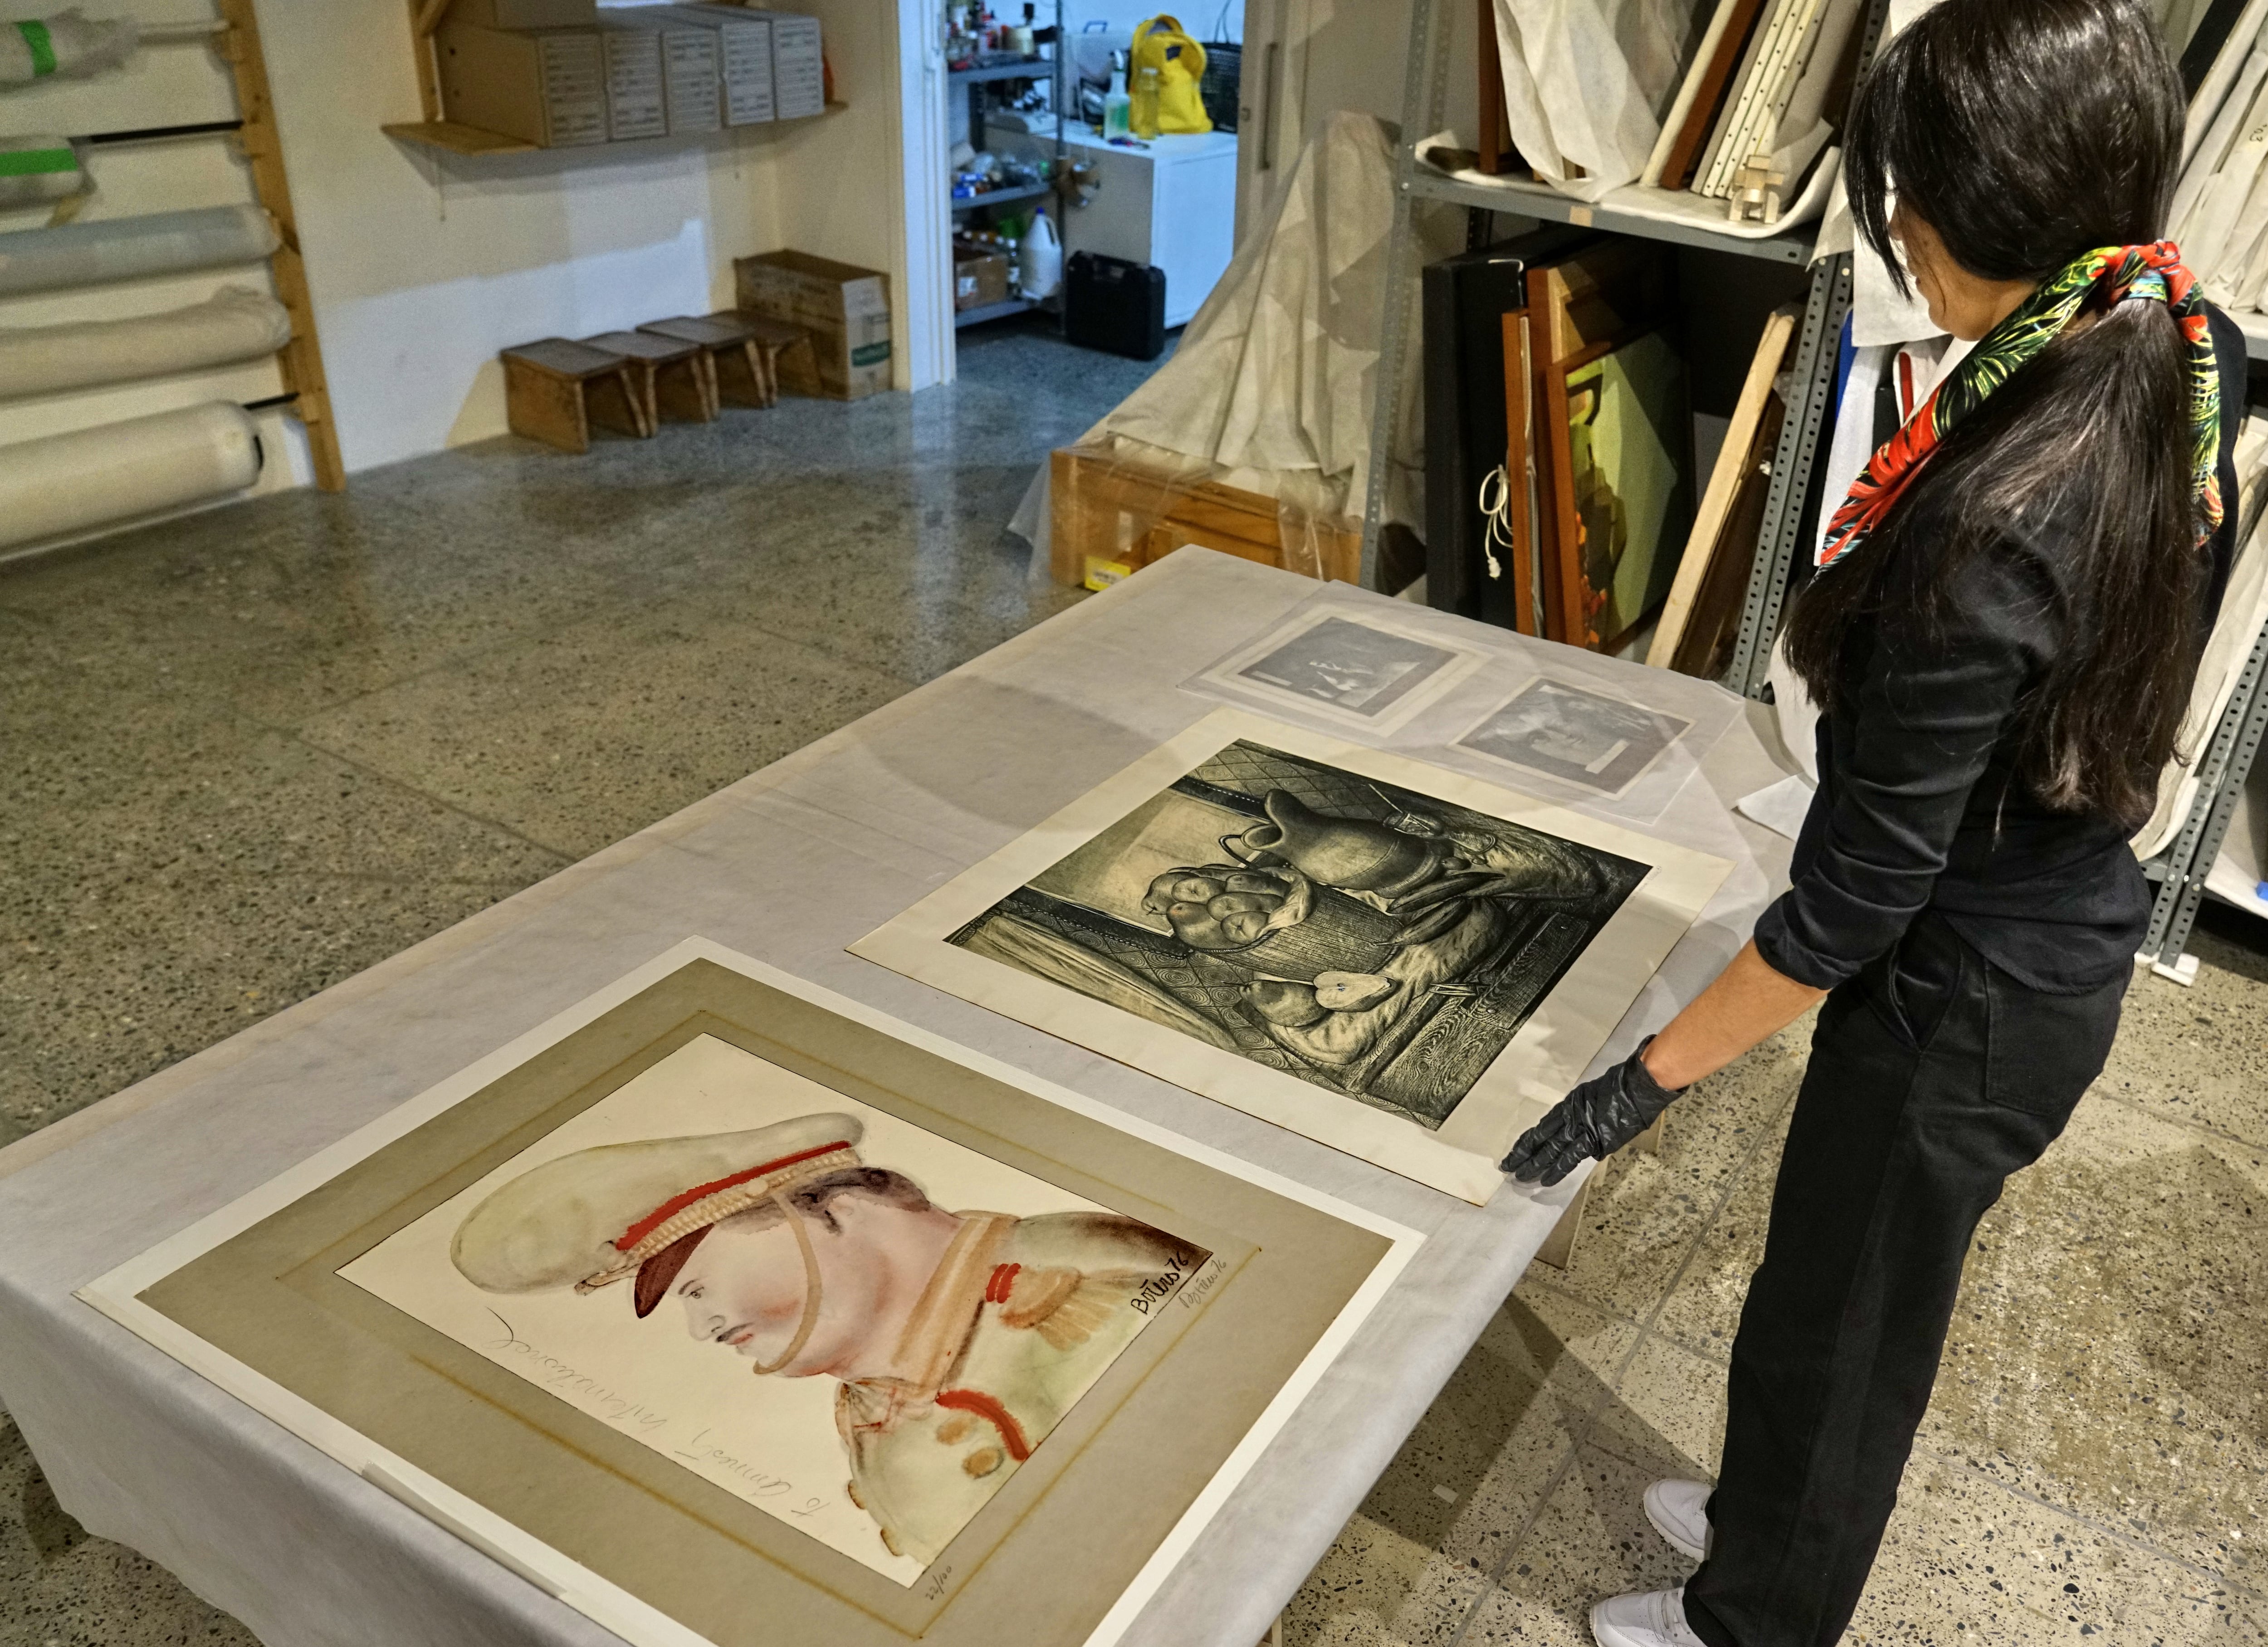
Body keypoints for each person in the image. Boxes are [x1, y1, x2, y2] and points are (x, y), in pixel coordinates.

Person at [1501, 1, 2248, 1643]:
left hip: (1964, 992)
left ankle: (1757, 1615)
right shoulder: (2169, 330)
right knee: (1819, 1282)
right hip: (2030, 924)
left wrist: (1634, 1086)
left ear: (1961, 210)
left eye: (1908, 192)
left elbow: (1845, 910)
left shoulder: (1991, 541)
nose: (1894, 225)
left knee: (1849, 1330)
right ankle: (1769, 1518)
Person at [450, 1112, 1200, 1564]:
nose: (701, 1328)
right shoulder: (876, 1397)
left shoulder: (1083, 1273)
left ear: (834, 1212)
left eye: (696, 1287)